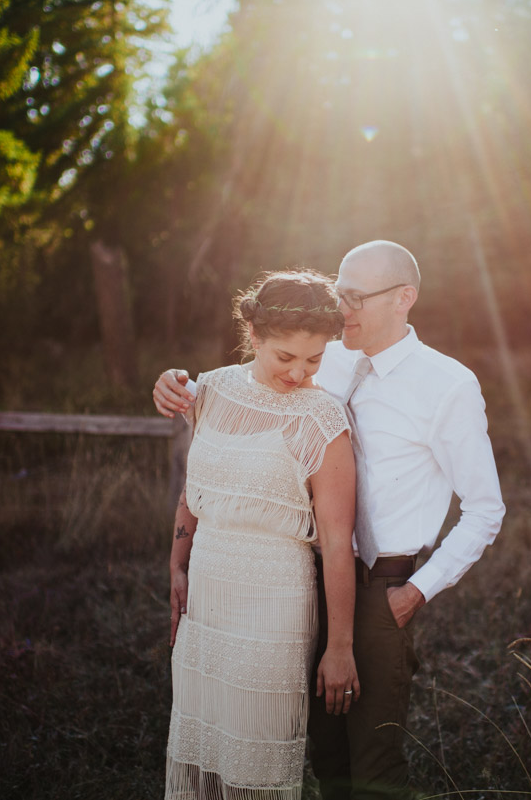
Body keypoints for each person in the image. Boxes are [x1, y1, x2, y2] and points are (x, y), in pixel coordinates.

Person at [155, 241, 506, 800]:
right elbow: (258, 390)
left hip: (380, 589)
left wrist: (415, 591)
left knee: (373, 764)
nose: (342, 308)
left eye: (356, 297)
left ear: (404, 299)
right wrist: (179, 385)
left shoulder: (448, 385)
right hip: (301, 582)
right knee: (323, 755)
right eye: (339, 292)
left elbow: (486, 508)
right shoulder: (327, 354)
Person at [164, 269, 361, 800]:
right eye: (285, 357)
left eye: (314, 359)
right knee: (206, 735)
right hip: (208, 590)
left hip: (275, 603)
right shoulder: (211, 390)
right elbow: (198, 487)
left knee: (257, 746)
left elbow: (338, 544)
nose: (299, 372)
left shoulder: (323, 419)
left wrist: (339, 647)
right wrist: (177, 564)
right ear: (254, 336)